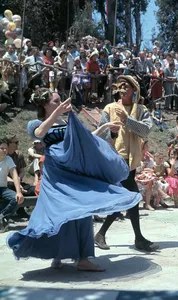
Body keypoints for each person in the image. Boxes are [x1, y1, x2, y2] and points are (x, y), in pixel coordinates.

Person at [7, 90, 140, 271]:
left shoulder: (67, 121)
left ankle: (84, 259)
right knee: (59, 215)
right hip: (56, 175)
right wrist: (57, 112)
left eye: (61, 101)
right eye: (56, 101)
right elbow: (39, 133)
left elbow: (87, 138)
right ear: (45, 105)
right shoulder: (36, 123)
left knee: (82, 210)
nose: (61, 103)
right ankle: (58, 255)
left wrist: (105, 127)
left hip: (74, 170)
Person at [94, 75, 159, 252]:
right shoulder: (110, 108)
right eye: (121, 85)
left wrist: (127, 120)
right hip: (116, 158)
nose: (123, 89)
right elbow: (101, 135)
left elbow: (145, 130)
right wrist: (112, 133)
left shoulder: (141, 109)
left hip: (132, 160)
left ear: (134, 91)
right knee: (132, 196)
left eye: (127, 86)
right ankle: (138, 238)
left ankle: (101, 233)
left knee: (127, 198)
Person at [0, 138, 24, 232]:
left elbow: (14, 175)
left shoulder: (8, 159)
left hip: (3, 189)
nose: (5, 150)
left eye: (6, 148)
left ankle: (2, 216)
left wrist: (18, 192)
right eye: (2, 148)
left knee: (16, 198)